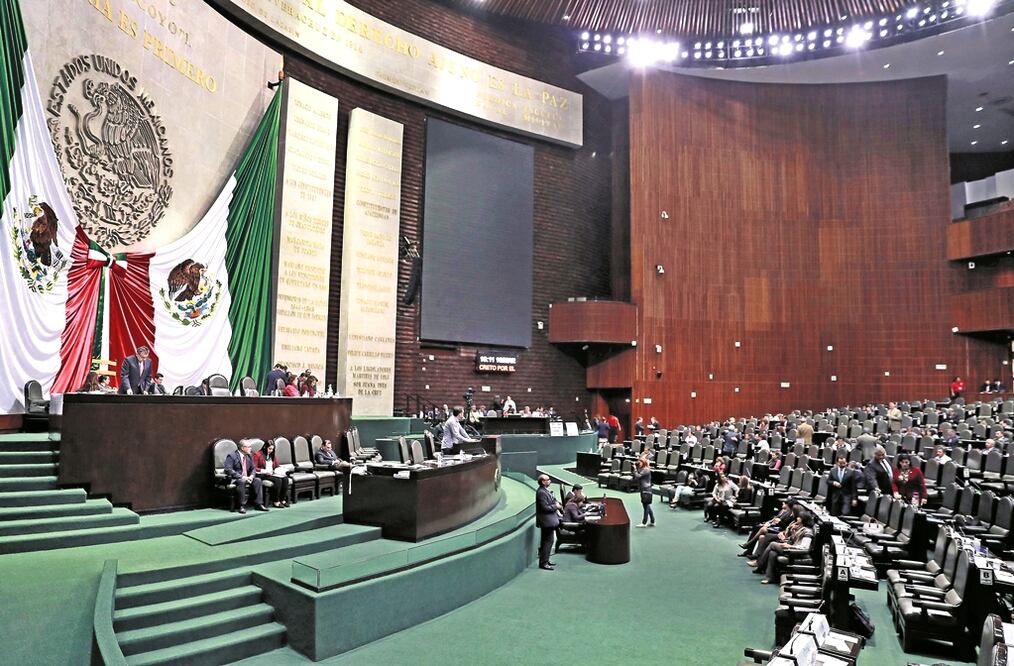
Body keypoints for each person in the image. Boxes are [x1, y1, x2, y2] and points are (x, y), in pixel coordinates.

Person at [759, 513, 815, 584]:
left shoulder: (808, 531)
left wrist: (790, 546)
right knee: (772, 553)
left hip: (798, 553)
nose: (797, 518)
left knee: (772, 544)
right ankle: (769, 577)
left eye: (799, 517)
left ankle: (760, 564)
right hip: (792, 550)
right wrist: (790, 531)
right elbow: (791, 540)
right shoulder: (800, 528)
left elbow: (805, 547)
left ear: (803, 519)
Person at [224, 439, 268, 513]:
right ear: (243, 448)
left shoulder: (249, 456)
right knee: (242, 481)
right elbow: (228, 470)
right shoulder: (232, 456)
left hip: (247, 477)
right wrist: (242, 477)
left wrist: (251, 476)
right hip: (236, 478)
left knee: (258, 480)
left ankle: (258, 504)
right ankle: (241, 506)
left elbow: (253, 468)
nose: (251, 448)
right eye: (249, 447)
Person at [535, 474, 561, 570]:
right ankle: (544, 563)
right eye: (548, 480)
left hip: (548, 521)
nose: (550, 481)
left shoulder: (545, 491)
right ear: (543, 481)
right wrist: (556, 506)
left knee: (547, 542)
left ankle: (545, 560)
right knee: (547, 542)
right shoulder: (541, 492)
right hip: (546, 522)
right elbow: (545, 508)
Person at [253, 440, 289, 508]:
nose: (271, 450)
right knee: (278, 480)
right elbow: (254, 468)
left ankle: (282, 500)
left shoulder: (272, 455)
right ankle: (276, 501)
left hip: (271, 473)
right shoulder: (257, 455)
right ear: (265, 447)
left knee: (285, 479)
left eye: (272, 449)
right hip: (262, 474)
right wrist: (264, 471)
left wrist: (282, 469)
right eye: (269, 448)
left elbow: (276, 466)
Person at [633, 458, 655, 527]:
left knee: (646, 506)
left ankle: (644, 523)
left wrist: (635, 469)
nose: (639, 463)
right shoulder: (643, 469)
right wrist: (636, 467)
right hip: (644, 488)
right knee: (646, 505)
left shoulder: (646, 469)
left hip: (646, 489)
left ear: (644, 462)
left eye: (640, 462)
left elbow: (638, 476)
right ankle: (652, 521)